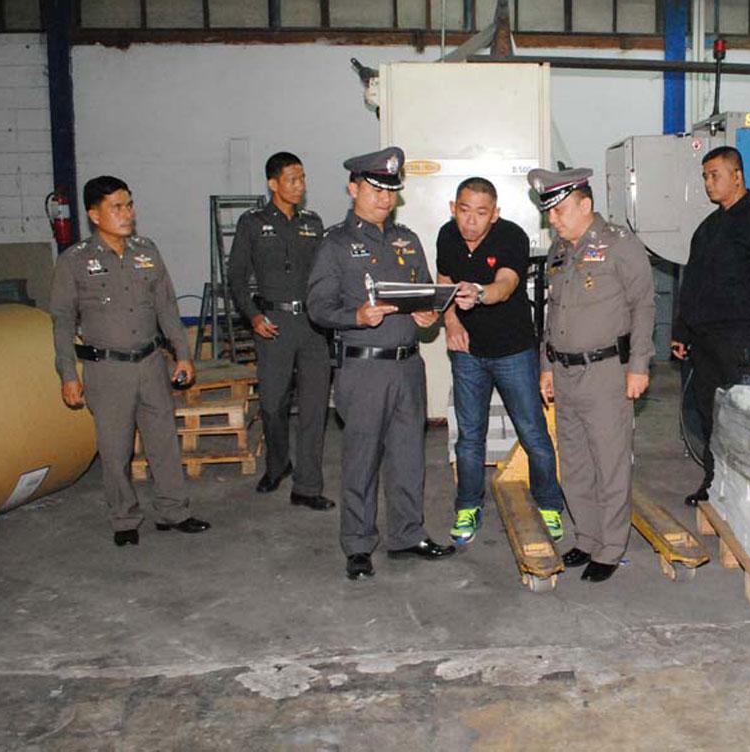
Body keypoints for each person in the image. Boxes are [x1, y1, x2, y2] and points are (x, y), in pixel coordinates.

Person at [306, 146, 455, 581]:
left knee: (409, 456)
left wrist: (428, 315)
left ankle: (407, 534)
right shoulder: (335, 244)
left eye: (391, 191)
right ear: (353, 189)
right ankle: (358, 544)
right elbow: (318, 307)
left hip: (408, 367)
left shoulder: (407, 240)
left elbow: (423, 295)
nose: (385, 199)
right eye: (376, 190)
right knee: (362, 459)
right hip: (364, 369)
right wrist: (355, 316)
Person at [50, 175, 210, 546]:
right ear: (94, 215)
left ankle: (173, 511)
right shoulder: (75, 261)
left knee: (164, 442)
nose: (127, 214)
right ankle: (124, 518)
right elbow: (62, 322)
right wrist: (68, 374)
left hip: (151, 364)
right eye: (116, 207)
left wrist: (183, 354)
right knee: (115, 448)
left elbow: (166, 307)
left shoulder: (146, 251)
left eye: (129, 205)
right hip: (107, 371)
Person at [532, 167, 655, 584]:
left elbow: (643, 306)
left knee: (610, 462)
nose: (552, 219)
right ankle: (586, 537)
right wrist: (546, 366)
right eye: (549, 212)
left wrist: (639, 365)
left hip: (606, 373)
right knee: (575, 463)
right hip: (565, 373)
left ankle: (610, 546)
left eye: (559, 210)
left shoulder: (620, 245)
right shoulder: (558, 251)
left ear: (585, 205)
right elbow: (551, 315)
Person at [436, 177, 565, 543]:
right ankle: (467, 506)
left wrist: (479, 294)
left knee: (533, 432)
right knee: (469, 437)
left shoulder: (511, 236)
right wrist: (451, 322)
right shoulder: (446, 236)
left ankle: (549, 504)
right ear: (453, 208)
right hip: (468, 354)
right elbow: (444, 280)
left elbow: (506, 284)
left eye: (481, 213)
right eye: (464, 211)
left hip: (513, 351)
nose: (471, 220)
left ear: (495, 214)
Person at [670, 145, 750, 507]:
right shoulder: (709, 228)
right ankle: (713, 484)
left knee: (739, 420)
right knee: (709, 418)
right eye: (705, 177)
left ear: (738, 176)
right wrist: (681, 332)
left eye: (715, 175)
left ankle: (742, 494)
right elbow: (692, 284)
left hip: (740, 343)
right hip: (705, 343)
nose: (708, 183)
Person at [227, 151, 333, 509]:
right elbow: (236, 276)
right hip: (272, 325)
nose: (299, 185)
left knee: (315, 407)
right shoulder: (253, 223)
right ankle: (277, 464)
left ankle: (308, 486)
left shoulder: (313, 223)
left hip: (313, 326)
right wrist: (253, 316)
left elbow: (323, 274)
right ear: (273, 183)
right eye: (292, 179)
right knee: (273, 404)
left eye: (302, 178)